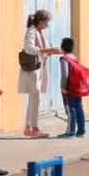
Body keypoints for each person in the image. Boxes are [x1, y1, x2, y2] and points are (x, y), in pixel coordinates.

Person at [19, 10, 62, 139]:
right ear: (41, 21)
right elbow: (29, 48)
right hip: (33, 68)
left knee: (34, 98)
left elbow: (44, 48)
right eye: (46, 22)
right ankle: (34, 128)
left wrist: (52, 51)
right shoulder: (31, 32)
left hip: (39, 69)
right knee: (35, 97)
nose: (47, 25)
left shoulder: (39, 32)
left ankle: (29, 127)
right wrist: (48, 50)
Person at [57, 37, 86, 138]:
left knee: (70, 109)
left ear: (62, 47)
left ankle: (70, 132)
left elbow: (64, 74)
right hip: (78, 87)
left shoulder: (64, 59)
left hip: (70, 88)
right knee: (79, 108)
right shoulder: (74, 59)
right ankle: (81, 131)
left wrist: (63, 87)